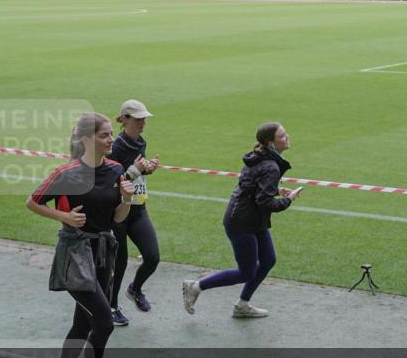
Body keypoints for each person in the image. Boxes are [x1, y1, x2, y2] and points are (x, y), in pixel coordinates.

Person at [26, 112, 134, 358]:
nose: (111, 139)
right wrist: (64, 216)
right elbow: (32, 202)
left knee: (82, 323)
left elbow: (118, 219)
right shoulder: (66, 173)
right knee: (104, 322)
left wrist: (127, 199)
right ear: (86, 139)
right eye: (104, 135)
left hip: (103, 253)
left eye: (110, 134)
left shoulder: (116, 170)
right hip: (75, 253)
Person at [182, 122, 302, 319]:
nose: (287, 137)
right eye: (282, 136)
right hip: (242, 222)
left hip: (250, 218)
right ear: (271, 143)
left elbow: (251, 186)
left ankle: (243, 305)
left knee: (268, 260)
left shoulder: (259, 157)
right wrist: (287, 200)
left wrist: (275, 190)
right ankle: (196, 286)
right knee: (246, 272)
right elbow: (265, 202)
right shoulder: (270, 165)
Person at [107, 99, 161, 326]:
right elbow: (110, 181)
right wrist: (135, 171)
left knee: (152, 257)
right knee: (118, 264)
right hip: (118, 213)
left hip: (138, 209)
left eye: (144, 119)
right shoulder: (114, 147)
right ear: (125, 119)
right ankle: (110, 307)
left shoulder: (139, 142)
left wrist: (146, 170)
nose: (142, 123)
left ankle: (135, 289)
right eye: (138, 119)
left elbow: (136, 171)